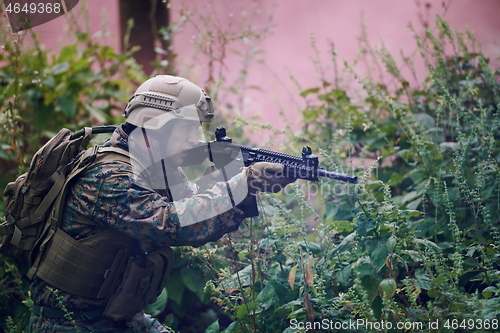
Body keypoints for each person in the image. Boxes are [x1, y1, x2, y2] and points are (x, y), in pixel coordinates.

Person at [28, 75, 295, 333]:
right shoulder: (108, 176)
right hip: (70, 323)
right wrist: (241, 184)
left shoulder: (157, 167)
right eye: (188, 128)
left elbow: (192, 205)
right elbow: (173, 224)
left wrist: (242, 185)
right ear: (154, 125)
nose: (196, 138)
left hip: (116, 316)